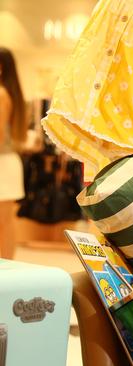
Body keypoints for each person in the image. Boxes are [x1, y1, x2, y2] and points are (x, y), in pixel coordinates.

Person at [0, 47, 27, 259]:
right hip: (6, 161)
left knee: (4, 222)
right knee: (6, 221)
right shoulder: (9, 93)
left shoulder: (1, 94)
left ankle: (6, 265)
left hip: (3, 162)